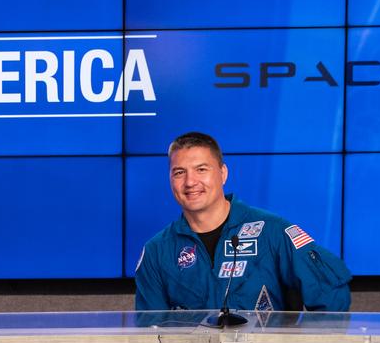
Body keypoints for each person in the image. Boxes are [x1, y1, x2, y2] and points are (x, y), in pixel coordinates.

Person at [135, 132, 351, 313]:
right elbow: (150, 333)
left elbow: (330, 293)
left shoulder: (274, 232)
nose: (190, 182)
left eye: (202, 169)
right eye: (179, 172)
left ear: (223, 174)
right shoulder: (157, 252)